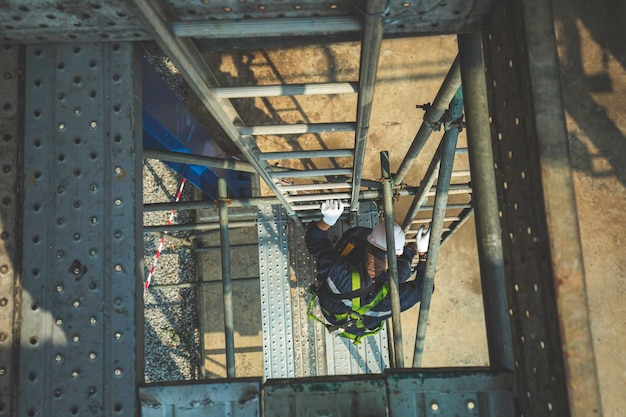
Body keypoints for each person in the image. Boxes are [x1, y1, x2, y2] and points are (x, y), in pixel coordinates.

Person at [305, 199, 431, 343]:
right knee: (403, 270)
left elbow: (314, 241)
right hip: (357, 326)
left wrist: (328, 221)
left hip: (334, 314)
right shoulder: (394, 299)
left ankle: (410, 251)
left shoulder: (337, 271)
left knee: (353, 238)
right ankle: (412, 250)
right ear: (397, 255)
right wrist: (423, 255)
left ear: (369, 242)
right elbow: (426, 288)